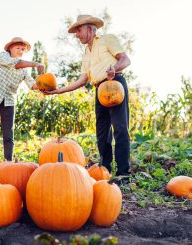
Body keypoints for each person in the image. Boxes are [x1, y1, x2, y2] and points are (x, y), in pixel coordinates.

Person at [44, 15, 131, 177]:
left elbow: (125, 60)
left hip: (114, 84)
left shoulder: (107, 39)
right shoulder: (86, 52)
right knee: (102, 132)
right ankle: (104, 170)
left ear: (90, 29)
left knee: (120, 128)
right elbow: (83, 79)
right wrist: (58, 91)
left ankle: (123, 173)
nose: (77, 34)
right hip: (99, 89)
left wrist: (114, 68)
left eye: (79, 30)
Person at [0, 37, 44, 165]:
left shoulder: (24, 70)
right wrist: (35, 64)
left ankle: (8, 162)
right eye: (18, 48)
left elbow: (32, 85)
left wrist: (43, 84)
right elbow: (15, 63)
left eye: (23, 49)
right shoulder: (3, 56)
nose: (20, 51)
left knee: (8, 133)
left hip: (8, 100)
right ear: (10, 48)